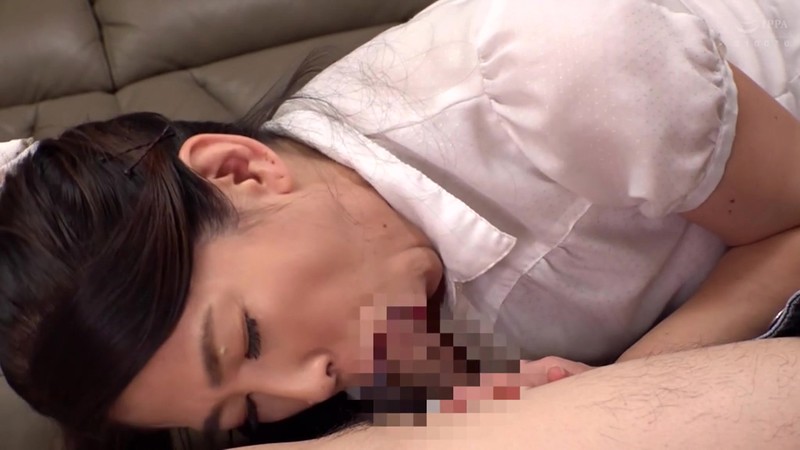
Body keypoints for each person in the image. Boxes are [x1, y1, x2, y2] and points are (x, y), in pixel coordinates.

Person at [0, 0, 799, 448]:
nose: (307, 387)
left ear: (241, 170)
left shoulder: (554, 68)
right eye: (246, 409)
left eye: (248, 340)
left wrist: (623, 385)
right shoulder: (360, 294)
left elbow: (791, 227)